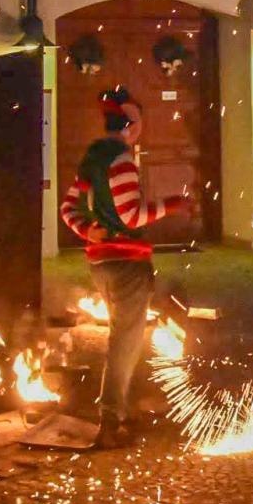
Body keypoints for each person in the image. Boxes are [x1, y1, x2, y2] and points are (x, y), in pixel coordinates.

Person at [60, 87, 192, 448]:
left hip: (99, 263)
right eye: (139, 121)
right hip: (127, 264)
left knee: (124, 337)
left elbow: (68, 208)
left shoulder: (93, 158)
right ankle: (110, 419)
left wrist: (87, 230)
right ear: (131, 125)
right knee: (125, 341)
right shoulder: (121, 160)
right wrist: (174, 204)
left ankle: (120, 411)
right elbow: (131, 216)